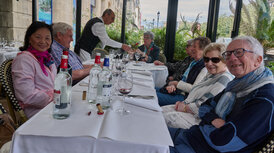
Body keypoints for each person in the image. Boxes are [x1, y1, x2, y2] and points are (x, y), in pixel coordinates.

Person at [169, 36, 274, 153]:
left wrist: (207, 122)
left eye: (239, 52)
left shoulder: (264, 100)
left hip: (197, 148)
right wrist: (214, 121)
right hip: (191, 137)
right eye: (228, 54)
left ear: (258, 60)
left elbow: (222, 140)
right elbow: (204, 107)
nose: (232, 58)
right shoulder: (236, 86)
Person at [162, 43, 234, 129]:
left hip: (200, 121)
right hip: (189, 110)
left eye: (215, 60)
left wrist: (185, 107)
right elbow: (195, 94)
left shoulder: (224, 79)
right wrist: (183, 104)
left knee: (161, 118)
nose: (209, 63)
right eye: (206, 59)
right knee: (158, 111)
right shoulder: (211, 75)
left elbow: (206, 106)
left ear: (225, 60)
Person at [12, 21, 57, 118]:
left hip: (53, 106)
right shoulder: (23, 60)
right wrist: (54, 96)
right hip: (37, 112)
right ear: (29, 39)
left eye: (47, 38)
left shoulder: (48, 59)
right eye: (38, 37)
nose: (43, 41)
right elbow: (26, 96)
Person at [156, 37, 211, 106]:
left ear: (203, 49)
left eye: (194, 46)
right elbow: (183, 79)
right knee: (150, 89)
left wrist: (176, 83)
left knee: (151, 95)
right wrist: (173, 85)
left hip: (185, 98)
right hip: (177, 91)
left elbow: (194, 89)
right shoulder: (193, 63)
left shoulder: (204, 67)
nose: (192, 49)